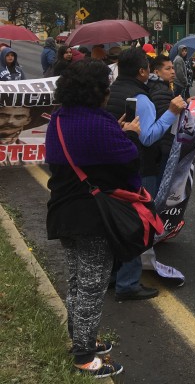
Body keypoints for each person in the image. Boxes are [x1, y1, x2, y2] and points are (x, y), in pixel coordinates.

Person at [45, 59, 140, 378]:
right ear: (96, 91)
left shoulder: (58, 118)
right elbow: (128, 159)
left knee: (76, 281)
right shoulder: (100, 123)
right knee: (92, 287)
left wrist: (117, 130)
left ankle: (80, 339)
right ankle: (84, 356)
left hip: (63, 210)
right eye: (106, 87)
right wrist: (129, 134)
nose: (109, 92)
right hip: (93, 216)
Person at [106, 48, 185, 302]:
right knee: (138, 225)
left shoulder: (111, 91)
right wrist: (171, 112)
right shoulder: (141, 99)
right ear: (142, 71)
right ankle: (128, 283)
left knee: (117, 223)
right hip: (139, 167)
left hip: (113, 165)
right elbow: (149, 137)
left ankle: (114, 275)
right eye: (148, 68)